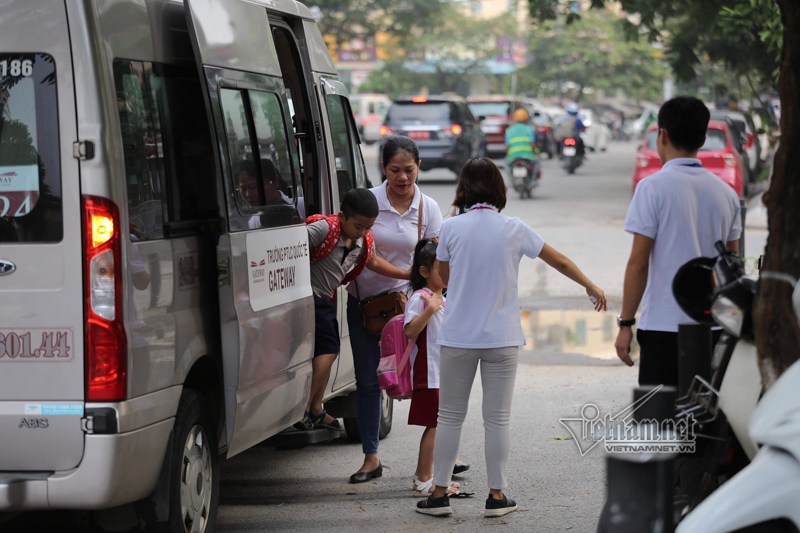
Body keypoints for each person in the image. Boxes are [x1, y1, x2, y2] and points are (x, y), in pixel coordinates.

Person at [416, 158, 607, 518]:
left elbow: (443, 276)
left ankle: (439, 494)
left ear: (464, 189)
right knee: (497, 418)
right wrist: (589, 285)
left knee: (450, 416)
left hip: (458, 335)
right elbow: (559, 261)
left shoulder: (451, 227)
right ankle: (497, 497)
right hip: (501, 337)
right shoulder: (513, 228)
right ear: (499, 189)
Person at [614, 96, 742, 388]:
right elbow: (731, 267)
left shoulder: (651, 189)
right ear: (702, 137)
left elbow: (638, 263)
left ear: (663, 135)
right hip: (713, 328)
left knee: (659, 424)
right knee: (703, 422)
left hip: (662, 327)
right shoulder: (726, 194)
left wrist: (625, 324)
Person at [345, 136, 444, 484]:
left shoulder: (429, 207)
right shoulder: (368, 201)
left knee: (425, 380)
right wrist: (404, 273)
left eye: (409, 170)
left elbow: (434, 261)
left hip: (410, 309)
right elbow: (362, 254)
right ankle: (371, 458)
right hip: (366, 307)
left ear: (419, 167)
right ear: (384, 169)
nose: (402, 178)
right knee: (369, 381)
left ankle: (441, 453)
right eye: (394, 170)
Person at [304, 189, 410, 430]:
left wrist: (405, 273)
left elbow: (372, 261)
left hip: (325, 299)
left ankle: (316, 408)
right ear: (342, 217)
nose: (362, 232)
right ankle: (302, 409)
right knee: (329, 350)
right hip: (310, 296)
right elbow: (291, 248)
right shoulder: (324, 229)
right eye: (358, 226)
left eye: (368, 227)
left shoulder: (363, 241)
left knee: (329, 350)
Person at [404, 239, 463, 497]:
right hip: (429, 373)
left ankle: (429, 477)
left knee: (439, 425)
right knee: (435, 426)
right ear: (425, 272)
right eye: (441, 269)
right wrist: (429, 309)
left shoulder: (441, 298)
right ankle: (424, 479)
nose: (448, 273)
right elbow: (409, 331)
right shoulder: (420, 298)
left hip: (442, 373)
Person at [504, 108, 540, 178]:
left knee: (506, 164)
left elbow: (507, 146)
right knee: (537, 162)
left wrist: (507, 153)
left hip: (513, 157)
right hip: (528, 156)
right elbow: (533, 144)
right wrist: (537, 153)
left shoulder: (509, 130)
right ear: (526, 118)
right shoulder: (529, 129)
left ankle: (511, 179)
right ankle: (533, 179)